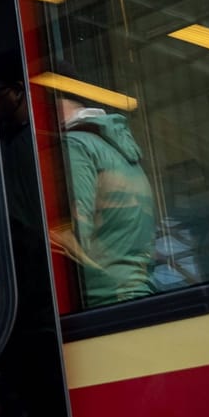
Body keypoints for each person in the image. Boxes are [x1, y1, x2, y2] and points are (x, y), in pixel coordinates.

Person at [55, 96, 156, 305]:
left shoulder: (74, 146)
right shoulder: (119, 152)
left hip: (100, 297)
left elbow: (74, 236)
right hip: (134, 293)